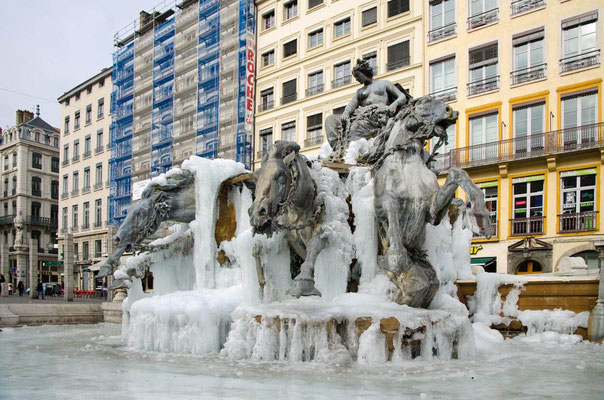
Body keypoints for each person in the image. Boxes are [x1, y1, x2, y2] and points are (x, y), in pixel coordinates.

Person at [325, 58, 410, 157]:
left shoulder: (384, 83)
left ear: (364, 72)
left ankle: (348, 153)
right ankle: (339, 150)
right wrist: (346, 113)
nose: (356, 79)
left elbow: (402, 97)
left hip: (378, 115)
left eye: (357, 76)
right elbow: (351, 105)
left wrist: (393, 105)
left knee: (356, 126)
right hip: (362, 115)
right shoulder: (360, 91)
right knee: (330, 120)